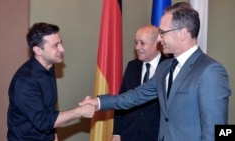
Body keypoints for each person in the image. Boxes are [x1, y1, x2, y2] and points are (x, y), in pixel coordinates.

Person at [80, 2, 231, 141]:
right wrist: (99, 102)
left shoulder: (210, 71)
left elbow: (216, 130)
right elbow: (136, 96)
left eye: (162, 32)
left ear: (182, 34)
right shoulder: (165, 67)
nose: (158, 38)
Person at [7, 22, 95, 141]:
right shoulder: (24, 81)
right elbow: (42, 122)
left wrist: (54, 135)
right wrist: (79, 112)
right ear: (38, 50)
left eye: (61, 43)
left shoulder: (49, 68)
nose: (62, 49)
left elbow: (48, 110)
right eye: (55, 45)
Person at [112, 25, 170, 141]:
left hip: (156, 135)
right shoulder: (132, 66)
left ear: (156, 44)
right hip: (129, 134)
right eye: (136, 42)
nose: (137, 47)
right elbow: (122, 100)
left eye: (142, 43)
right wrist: (117, 133)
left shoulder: (169, 66)